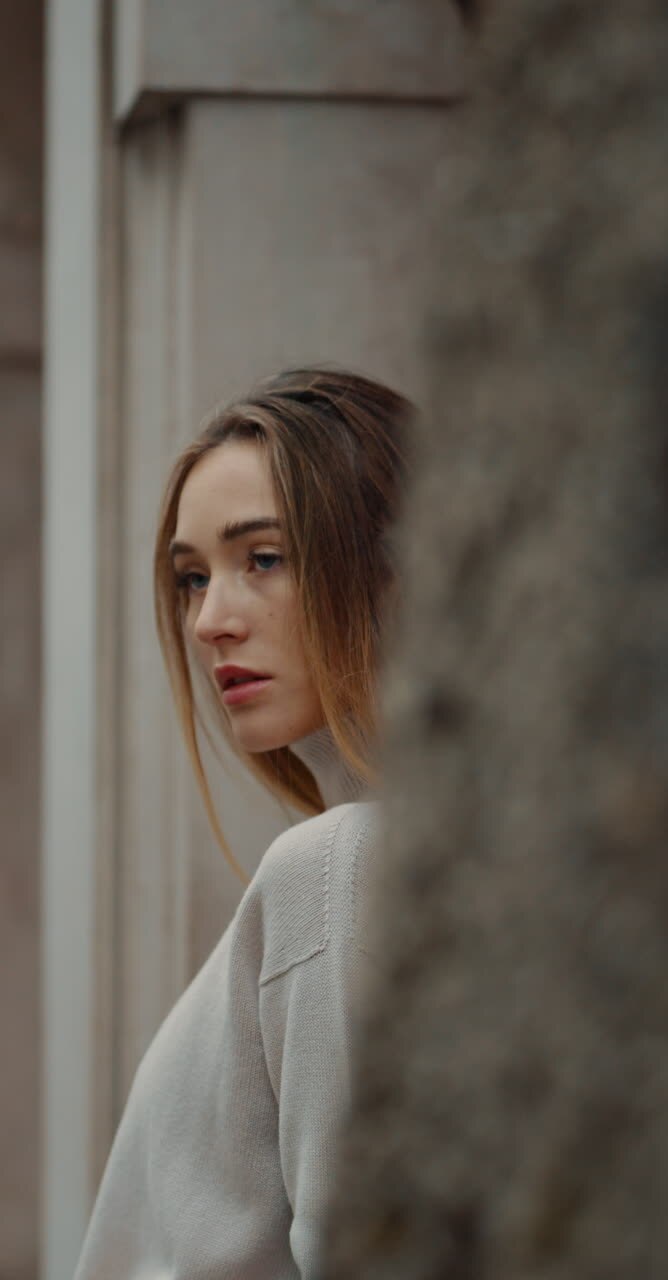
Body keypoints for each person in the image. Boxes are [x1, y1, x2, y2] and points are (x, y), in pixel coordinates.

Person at [72, 366, 414, 1279]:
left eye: (262, 558)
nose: (208, 622)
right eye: (191, 578)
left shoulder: (337, 866)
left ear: (391, 567)